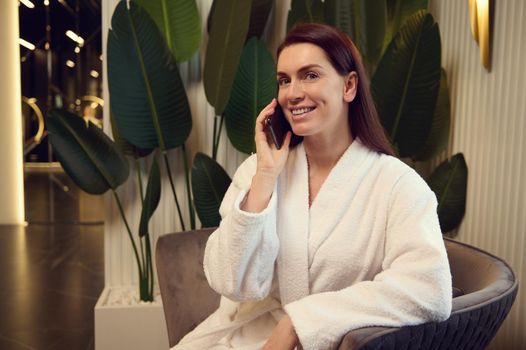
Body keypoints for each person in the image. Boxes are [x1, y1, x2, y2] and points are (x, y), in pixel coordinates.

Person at [173, 23, 452, 350]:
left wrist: (301, 322)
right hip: (243, 339)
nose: (293, 93)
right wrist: (265, 176)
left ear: (349, 86)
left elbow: (428, 289)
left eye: (310, 75)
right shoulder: (258, 171)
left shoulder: (398, 186)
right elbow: (229, 282)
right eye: (284, 80)